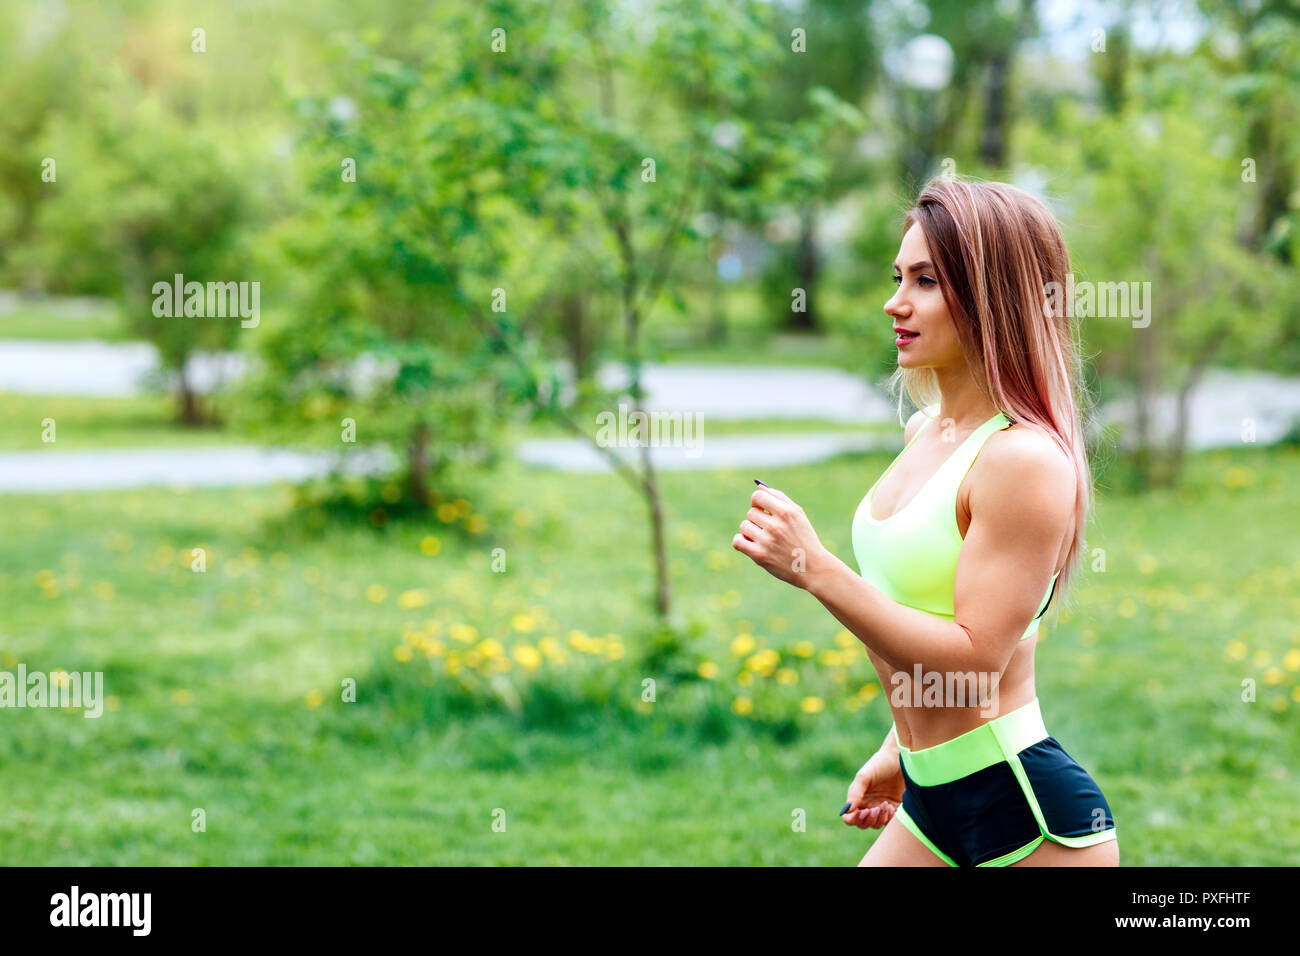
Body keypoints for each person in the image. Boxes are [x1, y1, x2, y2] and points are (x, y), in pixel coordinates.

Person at [732, 176, 1119, 866]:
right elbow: (919, 609)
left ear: (990, 297)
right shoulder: (926, 435)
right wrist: (899, 746)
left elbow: (978, 660)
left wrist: (816, 570)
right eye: (897, 276)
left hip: (1027, 820)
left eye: (926, 281)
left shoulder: (1022, 459)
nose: (895, 302)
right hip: (930, 800)